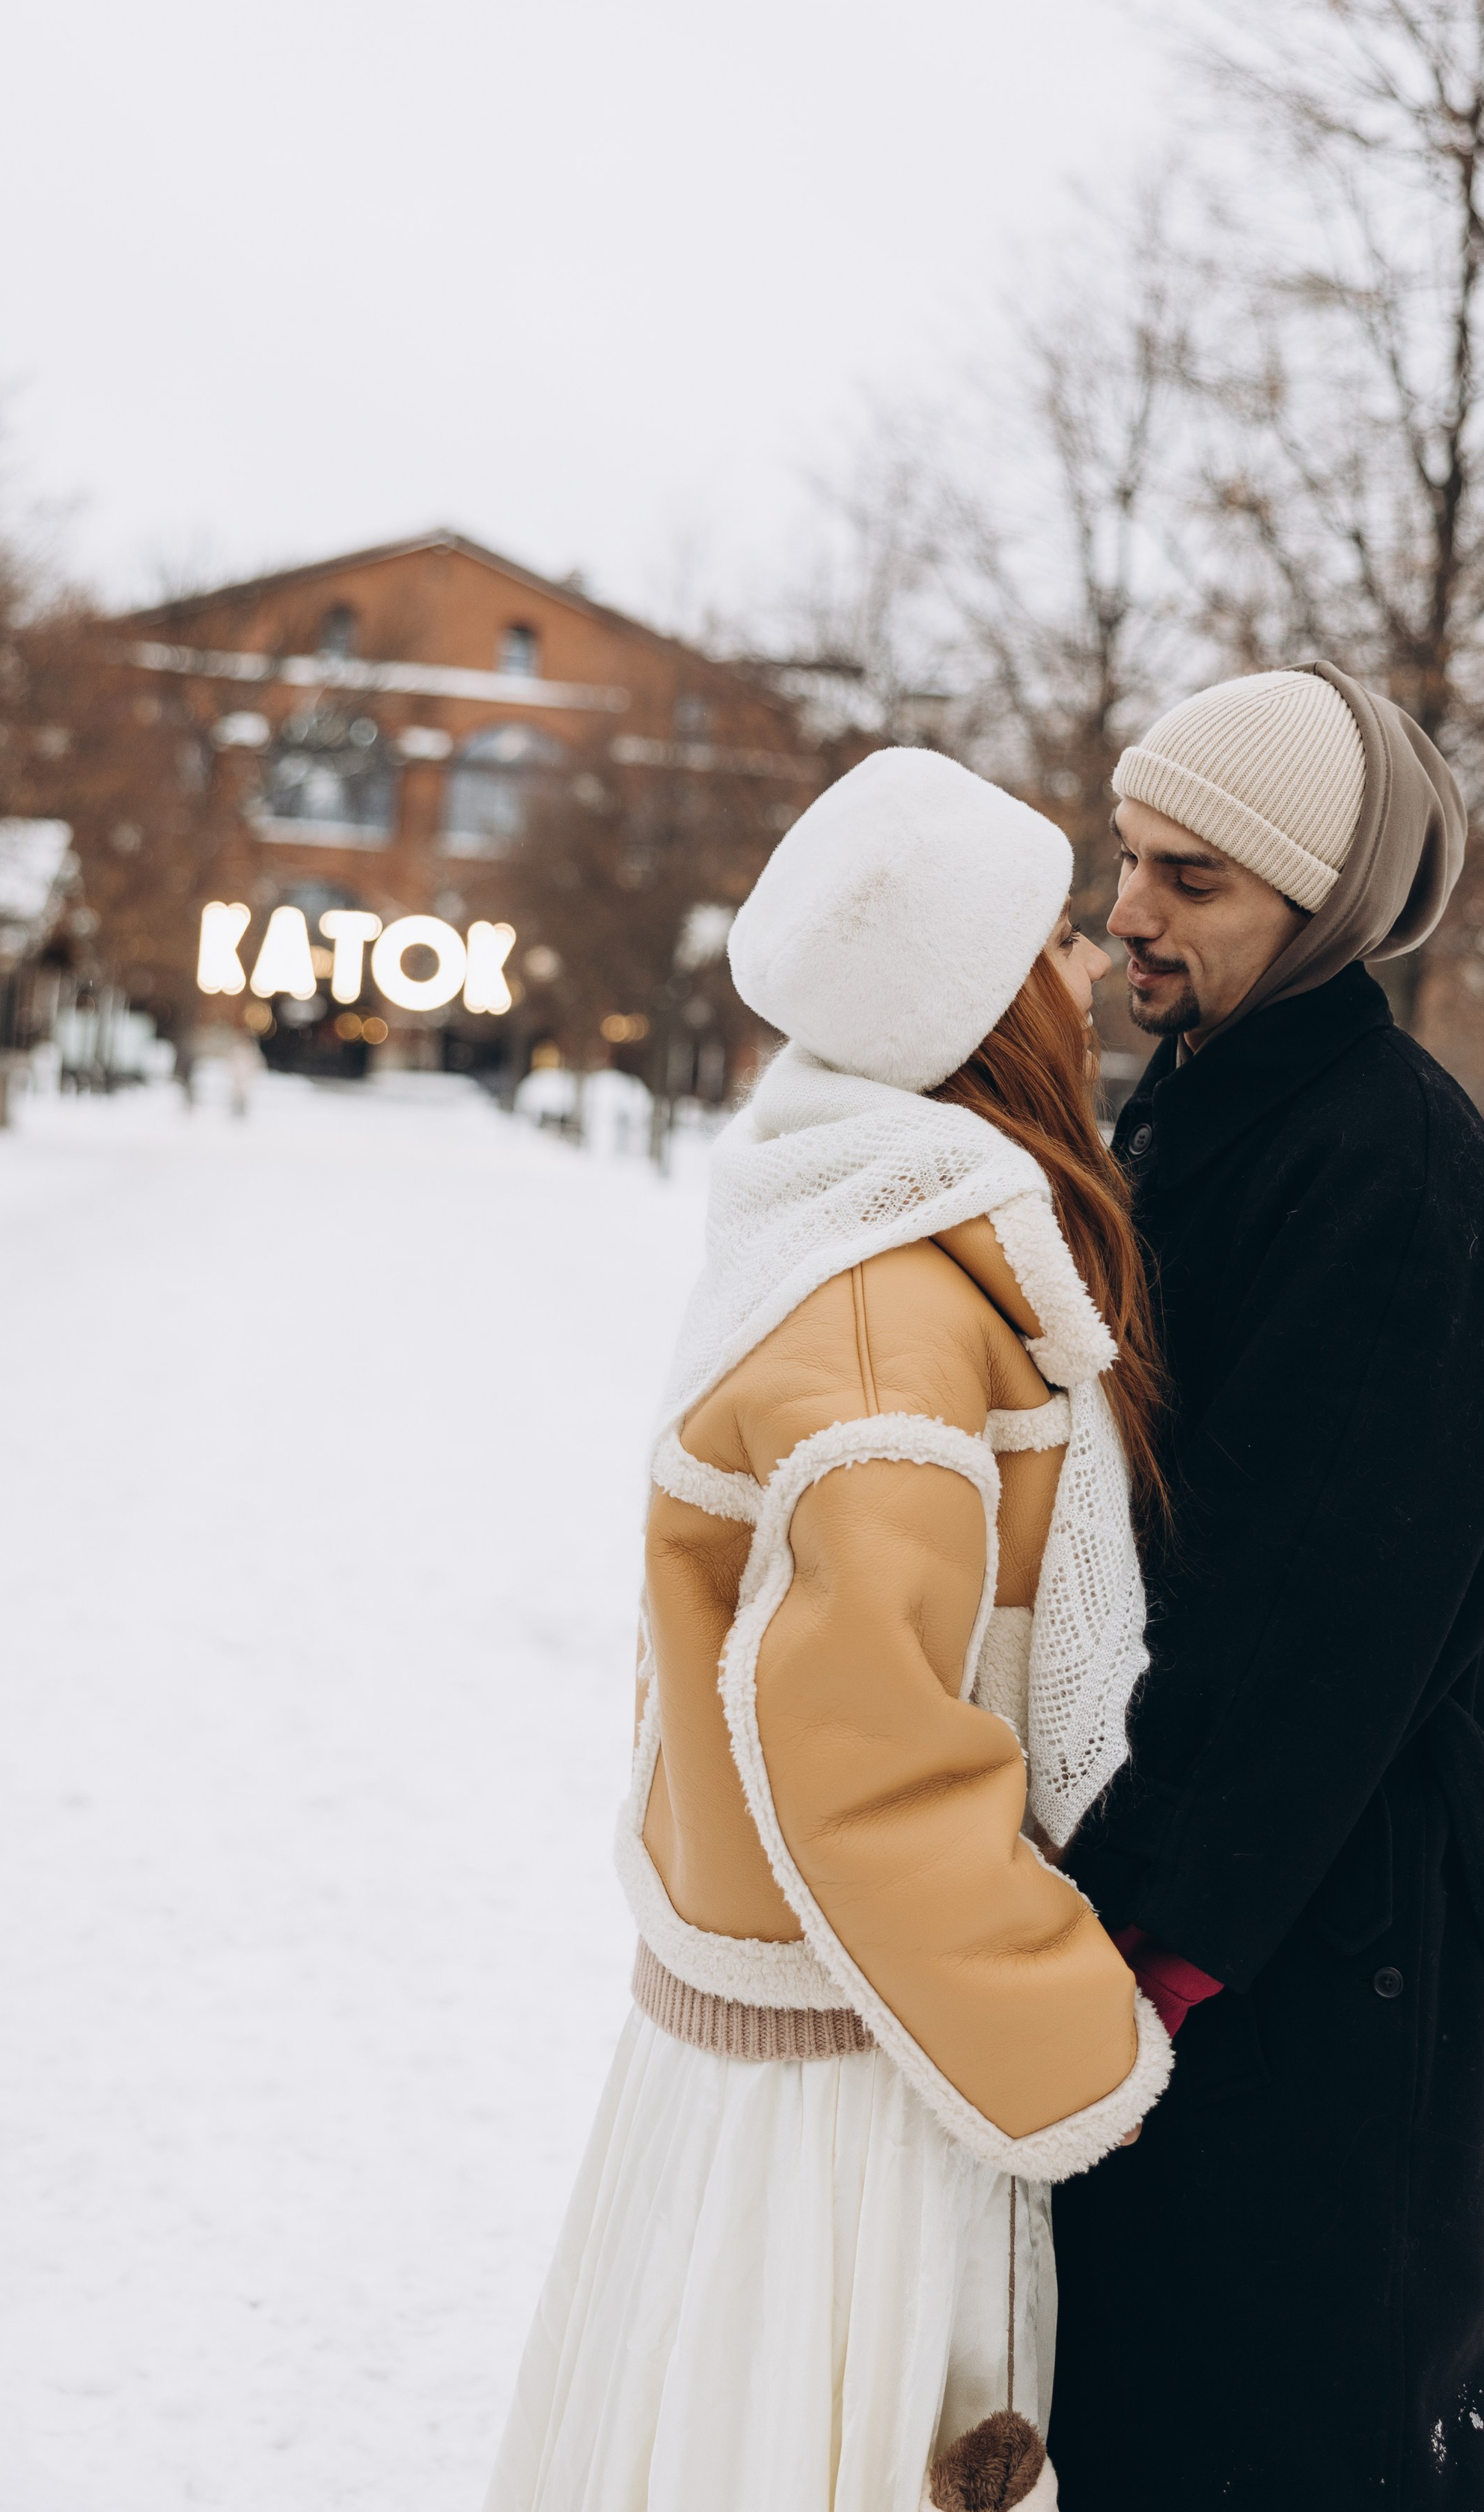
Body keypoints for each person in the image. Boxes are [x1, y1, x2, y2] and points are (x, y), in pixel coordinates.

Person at [485, 747, 1173, 2512]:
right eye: (1056, 941)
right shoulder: (894, 1314)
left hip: (787, 2044)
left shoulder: (848, 1229)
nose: (1092, 967)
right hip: (856, 2082)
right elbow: (853, 1754)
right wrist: (1070, 2034)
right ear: (985, 998)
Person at [1048, 665, 1484, 2512]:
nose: (1127, 916)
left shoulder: (1389, 1177)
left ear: (1317, 905)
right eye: (1125, 862)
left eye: (1191, 880)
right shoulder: (1198, 1109)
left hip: (1304, 1981)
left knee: (1272, 2445)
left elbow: (1315, 1637)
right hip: (1182, 1959)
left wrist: (1141, 1965)